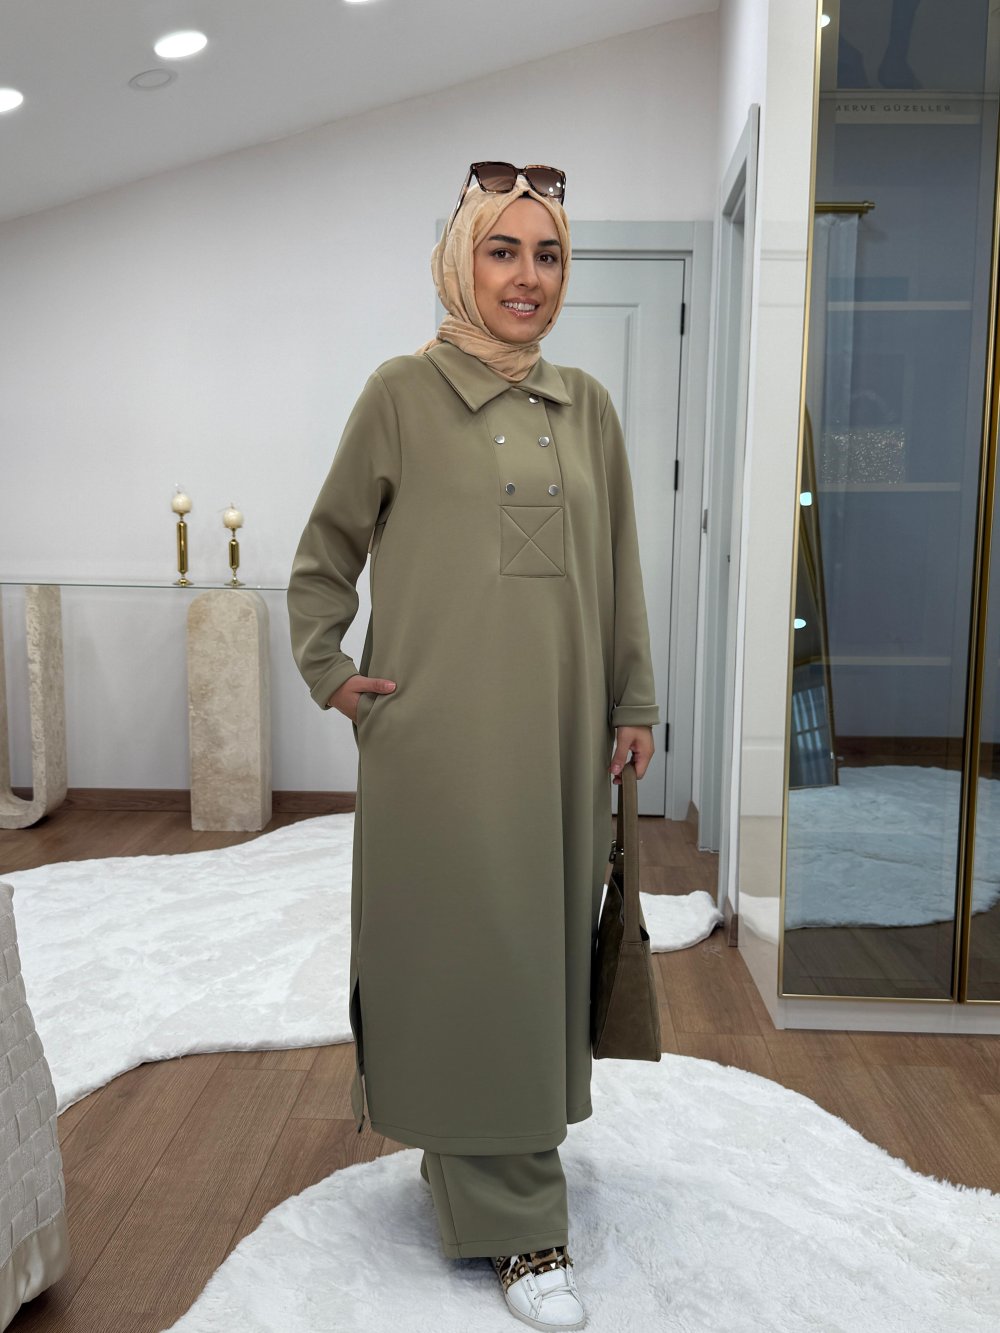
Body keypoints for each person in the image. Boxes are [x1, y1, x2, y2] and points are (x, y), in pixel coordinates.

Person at [287, 161, 659, 1330]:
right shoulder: (400, 393)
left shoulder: (586, 406)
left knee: (532, 960)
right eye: (502, 250)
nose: (526, 276)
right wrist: (334, 675)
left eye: (547, 255)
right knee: (475, 957)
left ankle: (468, 1152)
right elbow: (323, 556)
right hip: (439, 750)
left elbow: (619, 569)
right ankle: (523, 1224)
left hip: (557, 743)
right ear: (461, 262)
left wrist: (634, 701)